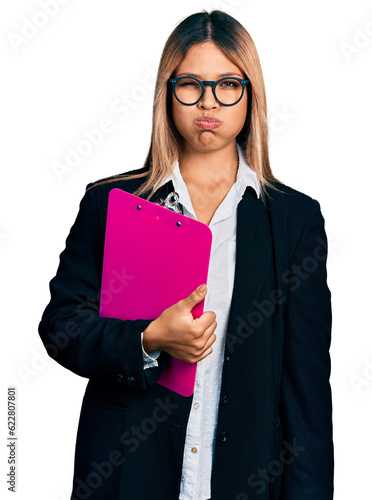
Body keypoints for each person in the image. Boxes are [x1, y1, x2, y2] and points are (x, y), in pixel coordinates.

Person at [38, 9, 333, 500]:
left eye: (227, 84)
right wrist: (148, 339)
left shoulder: (294, 220)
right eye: (191, 84)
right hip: (127, 474)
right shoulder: (110, 203)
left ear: (250, 92)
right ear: (167, 90)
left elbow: (306, 395)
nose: (208, 102)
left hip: (246, 478)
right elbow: (62, 327)